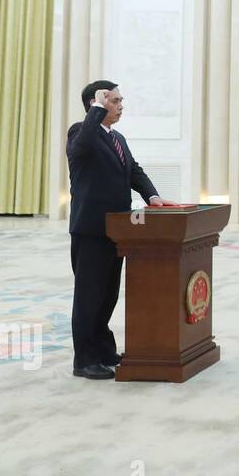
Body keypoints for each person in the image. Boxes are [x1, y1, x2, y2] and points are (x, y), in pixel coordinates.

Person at [66, 81, 170, 380]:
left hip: (118, 229)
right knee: (89, 295)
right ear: (95, 103)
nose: (121, 105)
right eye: (114, 100)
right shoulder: (80, 132)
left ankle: (103, 350)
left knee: (108, 294)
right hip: (91, 229)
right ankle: (84, 361)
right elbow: (84, 143)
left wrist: (152, 196)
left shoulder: (117, 137)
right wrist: (97, 107)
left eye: (121, 99)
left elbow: (134, 170)